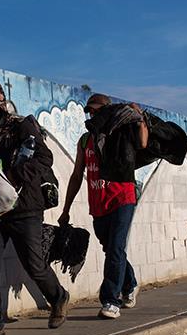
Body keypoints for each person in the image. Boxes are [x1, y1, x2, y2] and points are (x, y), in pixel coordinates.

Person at [0, 77, 71, 335]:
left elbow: (45, 158)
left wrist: (14, 175)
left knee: (34, 265)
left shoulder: (21, 126)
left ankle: (58, 297)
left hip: (24, 209)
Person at [58, 93, 146, 319]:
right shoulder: (85, 141)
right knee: (111, 250)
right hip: (98, 204)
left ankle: (110, 300)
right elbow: (78, 175)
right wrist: (66, 209)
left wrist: (140, 117)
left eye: (97, 110)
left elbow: (143, 143)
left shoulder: (121, 133)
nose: (92, 115)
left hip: (123, 198)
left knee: (116, 248)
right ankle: (130, 284)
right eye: (90, 111)